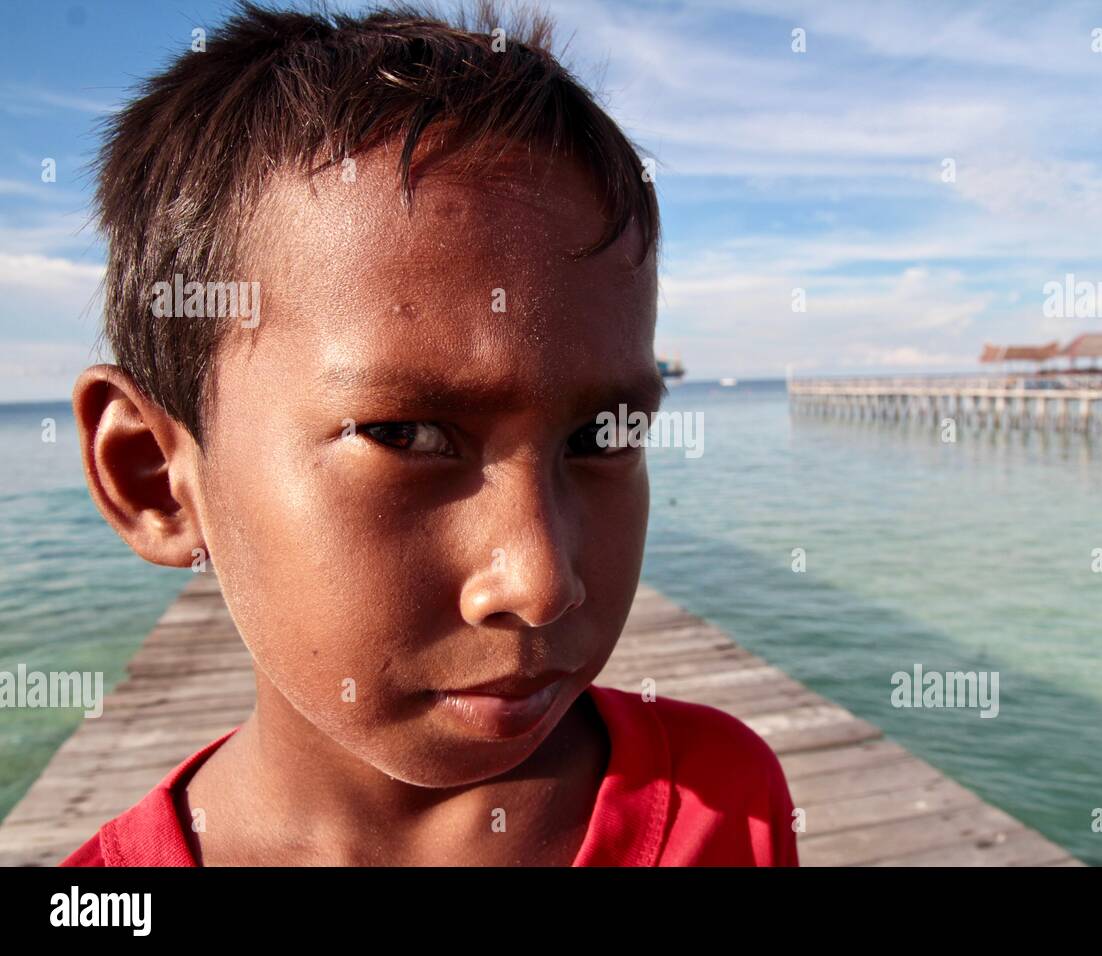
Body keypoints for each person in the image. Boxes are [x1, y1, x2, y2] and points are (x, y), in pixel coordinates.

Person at [61, 1, 798, 867]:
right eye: (404, 433)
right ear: (154, 475)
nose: (540, 583)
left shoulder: (725, 801)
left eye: (602, 434)